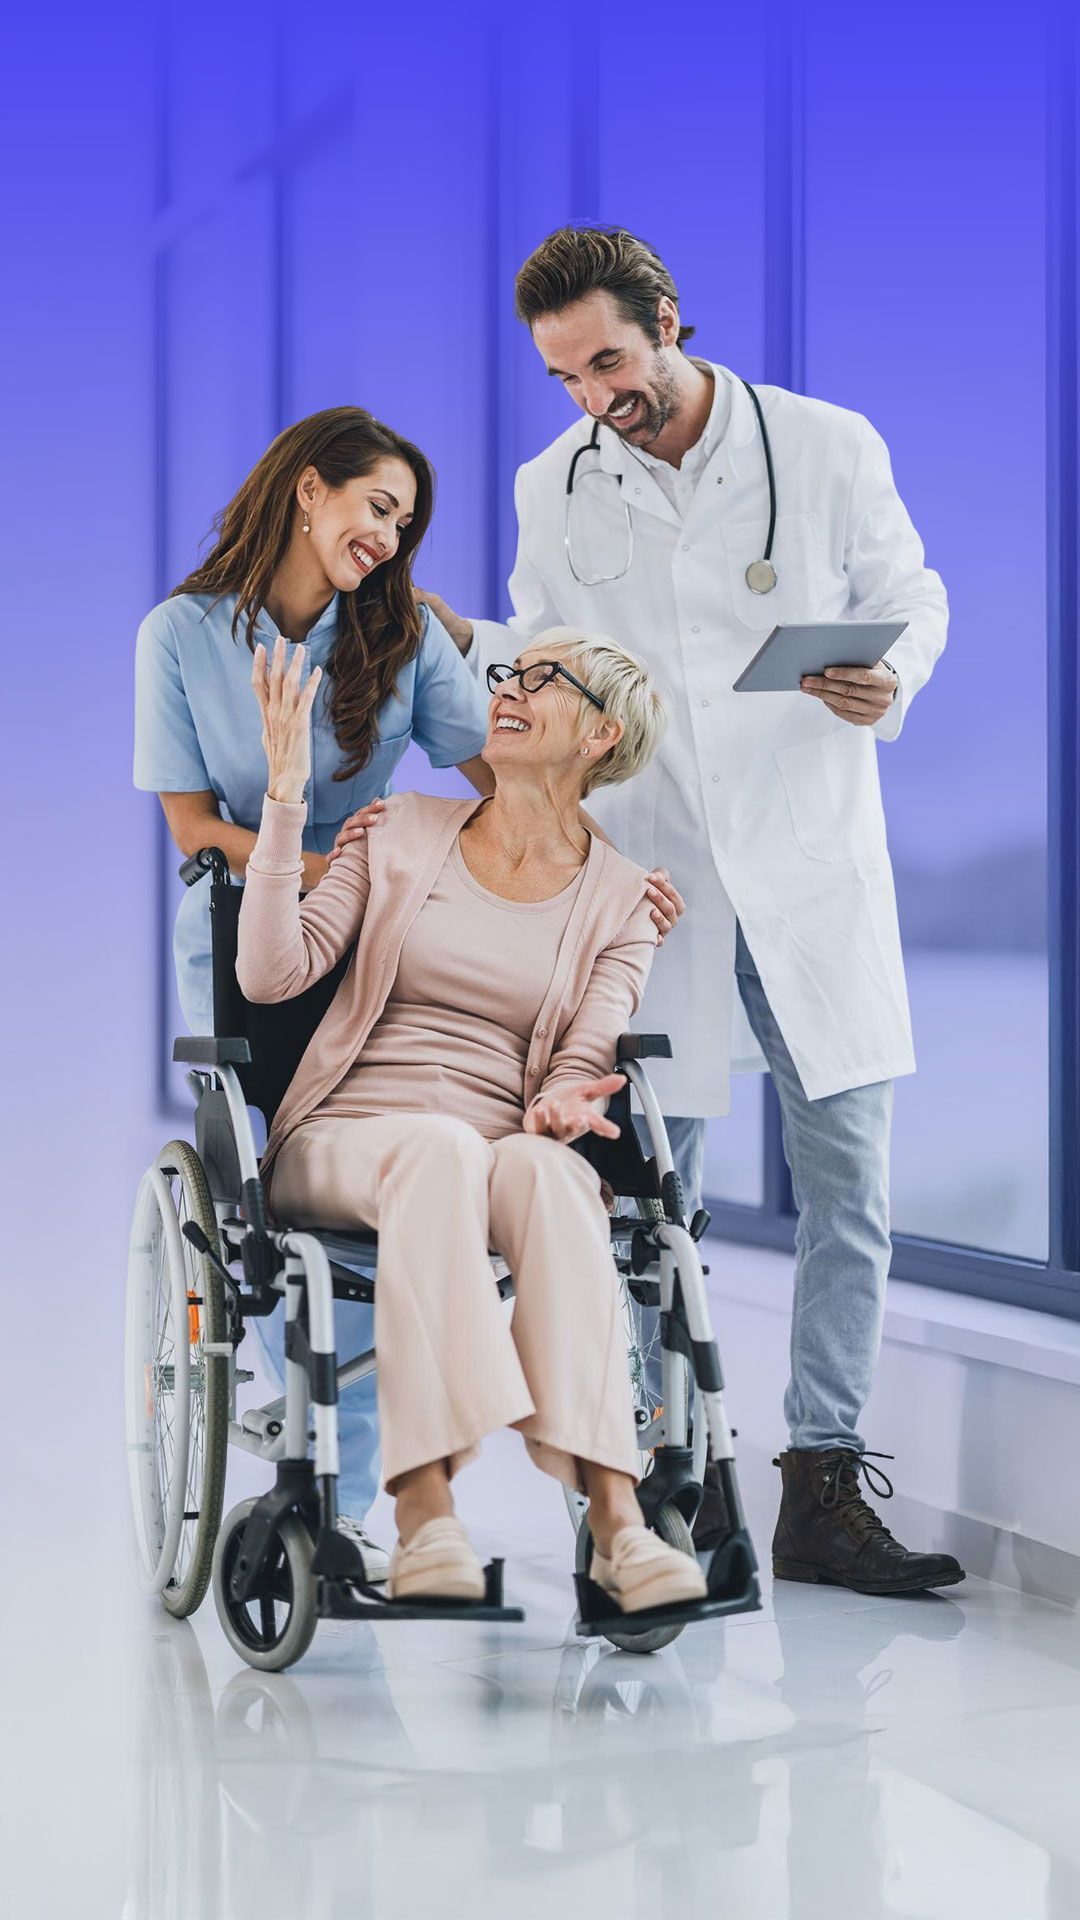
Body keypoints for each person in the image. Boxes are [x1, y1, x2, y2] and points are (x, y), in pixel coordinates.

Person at [412, 225, 964, 1596]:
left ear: (671, 321)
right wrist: (466, 652)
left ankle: (821, 1488)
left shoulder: (827, 447)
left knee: (854, 1189)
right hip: (655, 885)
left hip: (811, 867)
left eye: (610, 358)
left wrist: (886, 681)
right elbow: (549, 651)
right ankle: (656, 1487)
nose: (599, 394)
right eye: (566, 375)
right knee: (658, 1201)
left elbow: (911, 599)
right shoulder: (557, 483)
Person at [235, 624, 708, 1614]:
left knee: (550, 1175)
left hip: (494, 1148)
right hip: (344, 1137)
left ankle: (619, 1522)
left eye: (545, 679)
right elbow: (272, 975)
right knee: (445, 1149)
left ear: (597, 733)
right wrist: (287, 801)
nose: (509, 687)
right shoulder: (401, 827)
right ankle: (426, 1512)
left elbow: (589, 1048)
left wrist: (568, 1098)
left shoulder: (625, 902)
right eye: (509, 671)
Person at [133, 406, 495, 1583]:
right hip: (254, 933)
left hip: (384, 939)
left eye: (406, 523)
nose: (391, 538)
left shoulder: (400, 636)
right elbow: (190, 823)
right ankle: (330, 1481)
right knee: (287, 1212)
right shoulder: (181, 637)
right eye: (377, 507)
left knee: (388, 1185)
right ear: (306, 492)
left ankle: (369, 1490)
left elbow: (493, 771)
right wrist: (304, 857)